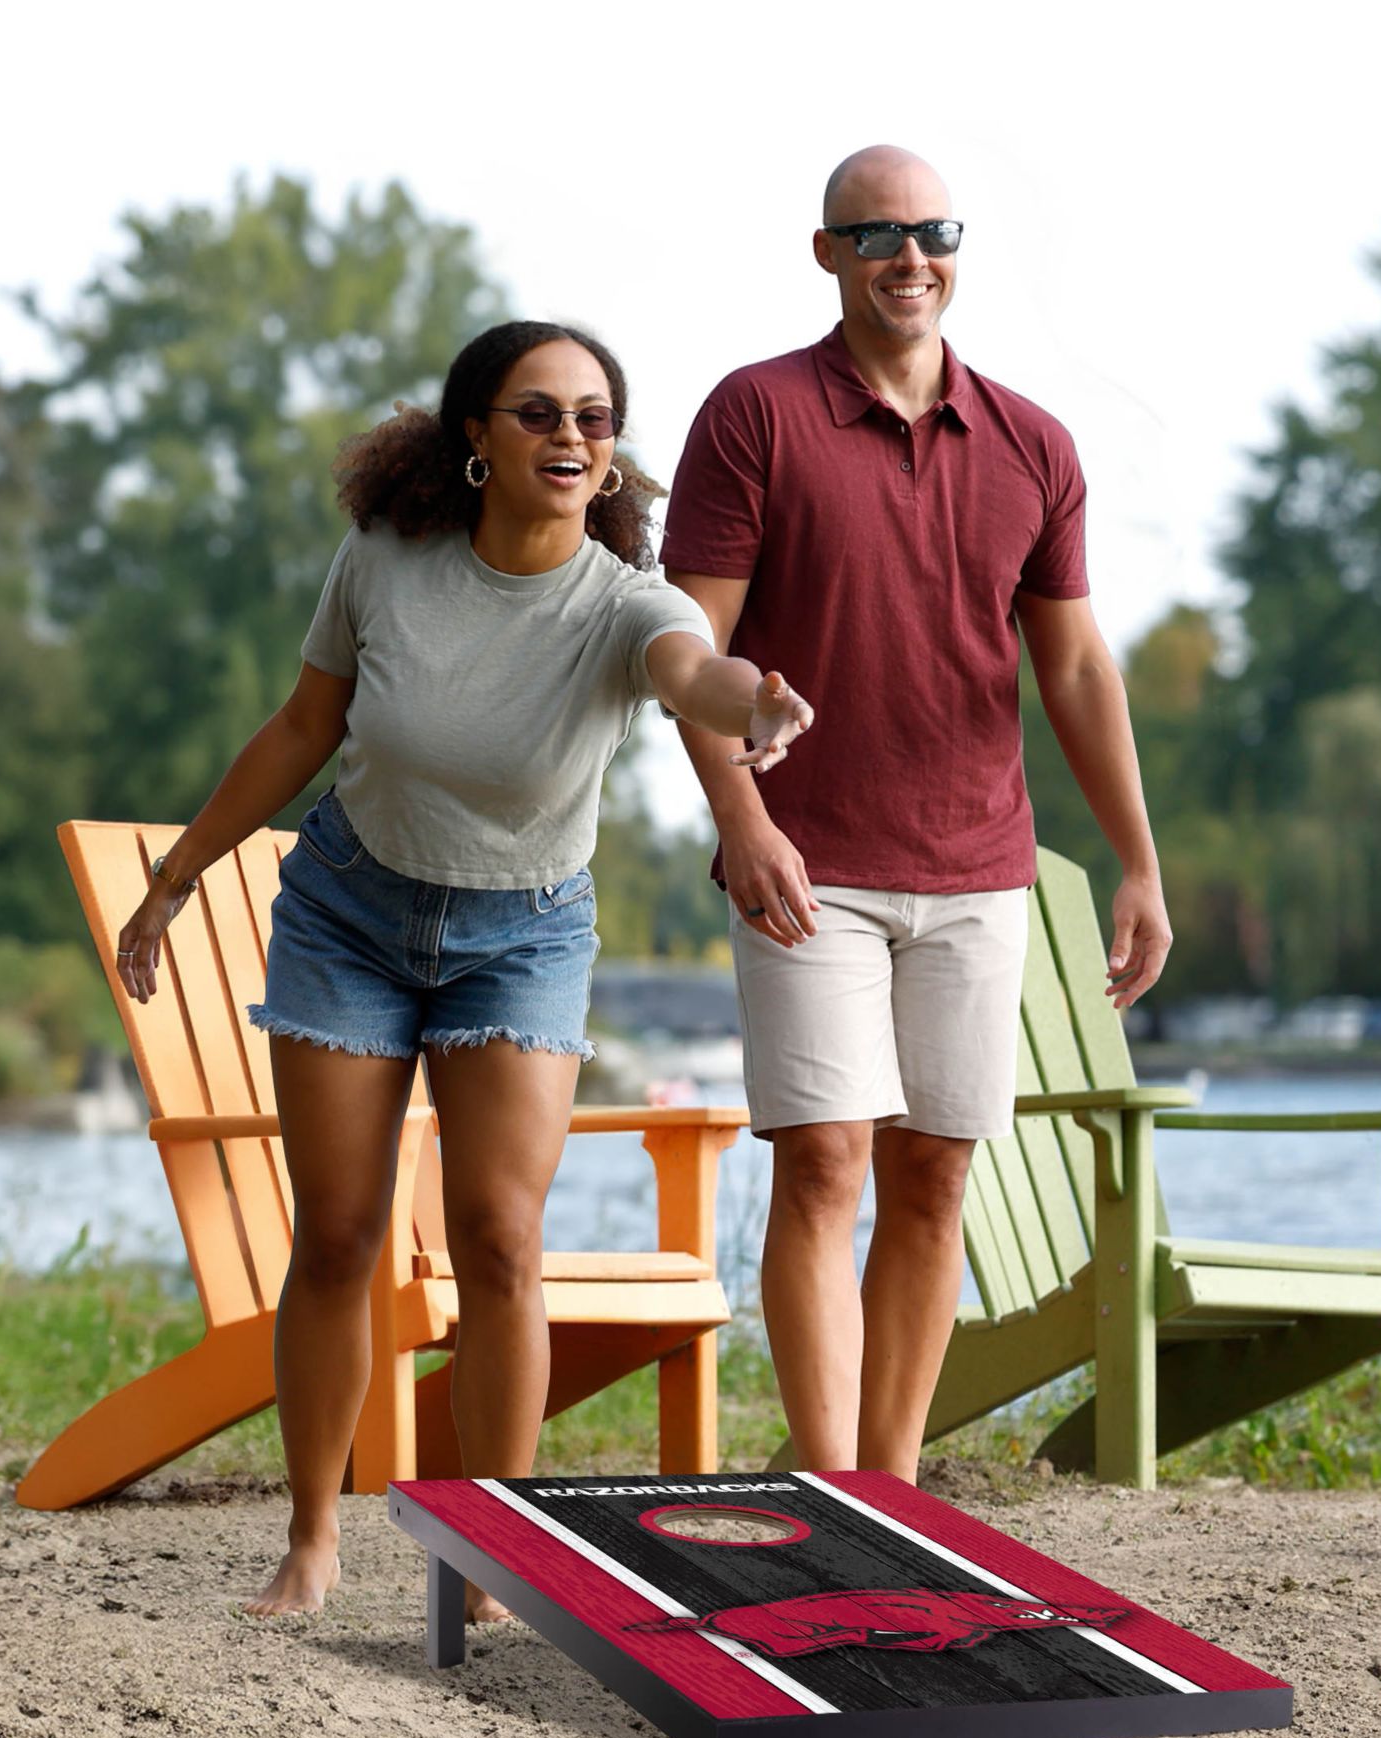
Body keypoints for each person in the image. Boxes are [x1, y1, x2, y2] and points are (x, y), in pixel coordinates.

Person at [113, 320, 814, 1619]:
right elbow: (304, 726)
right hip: (350, 915)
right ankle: (313, 1538)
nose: (569, 436)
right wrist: (180, 872)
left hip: (524, 936)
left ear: (612, 455)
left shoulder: (627, 604)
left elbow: (693, 675)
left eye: (593, 418)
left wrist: (755, 706)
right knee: (339, 1234)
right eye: (538, 412)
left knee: (499, 1239)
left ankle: (497, 1553)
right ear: (478, 437)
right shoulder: (386, 560)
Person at [660, 146, 1170, 1482]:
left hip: (978, 868)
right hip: (808, 864)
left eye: (933, 232)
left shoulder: (1032, 444)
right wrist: (742, 822)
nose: (910, 257)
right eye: (877, 234)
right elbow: (685, 649)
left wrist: (1137, 861)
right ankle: (831, 1484)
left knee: (935, 1176)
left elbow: (1076, 668)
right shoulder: (755, 415)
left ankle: (886, 1484)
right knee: (826, 1162)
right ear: (826, 253)